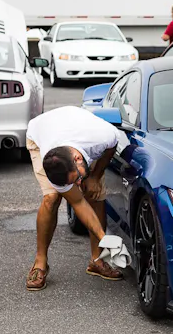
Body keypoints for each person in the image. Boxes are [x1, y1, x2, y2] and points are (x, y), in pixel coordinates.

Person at [25, 106, 123, 291]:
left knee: (94, 193)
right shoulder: (52, 161)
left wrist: (95, 176)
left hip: (78, 133)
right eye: (74, 182)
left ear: (78, 158)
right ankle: (40, 262)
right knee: (52, 198)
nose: (78, 184)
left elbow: (112, 147)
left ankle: (97, 260)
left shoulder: (102, 136)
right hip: (39, 135)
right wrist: (105, 237)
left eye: (77, 178)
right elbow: (77, 202)